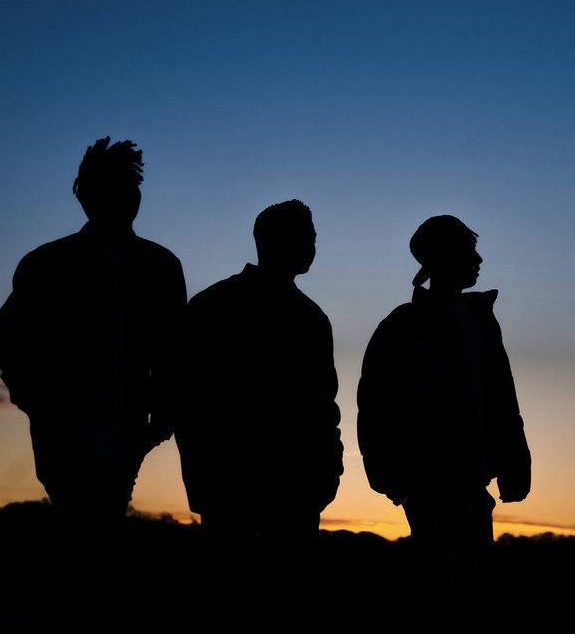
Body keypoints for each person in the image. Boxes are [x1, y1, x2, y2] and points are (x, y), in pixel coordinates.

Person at [0, 137, 187, 604]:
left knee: (102, 543)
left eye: (127, 189)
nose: (119, 200)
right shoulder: (47, 264)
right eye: (105, 191)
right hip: (64, 433)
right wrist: (38, 403)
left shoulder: (161, 266)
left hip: (130, 433)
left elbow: (176, 350)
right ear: (85, 197)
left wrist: (162, 418)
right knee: (79, 543)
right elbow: (8, 338)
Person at [175, 199, 343, 628]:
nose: (311, 247)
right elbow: (187, 397)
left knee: (286, 601)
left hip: (297, 484)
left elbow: (323, 405)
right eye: (304, 238)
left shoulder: (311, 318)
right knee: (231, 597)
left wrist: (329, 468)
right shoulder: (213, 307)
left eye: (313, 239)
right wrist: (202, 477)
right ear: (269, 241)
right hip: (229, 481)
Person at [357, 215, 531, 623]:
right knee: (442, 578)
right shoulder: (401, 326)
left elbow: (501, 399)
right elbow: (376, 403)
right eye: (469, 250)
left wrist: (514, 462)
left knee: (472, 581)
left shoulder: (482, 321)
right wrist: (387, 475)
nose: (479, 259)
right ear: (442, 257)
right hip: (426, 479)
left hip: (474, 479)